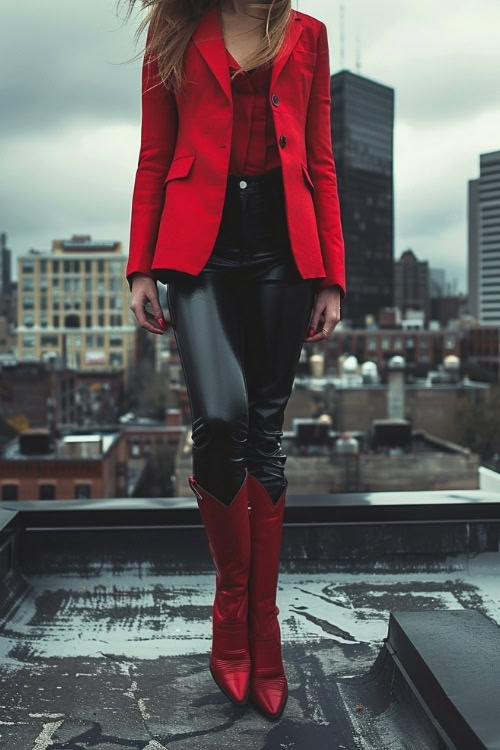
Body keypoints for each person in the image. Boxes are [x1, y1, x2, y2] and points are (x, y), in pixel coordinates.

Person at [125, 0, 346, 720]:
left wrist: (331, 276)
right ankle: (231, 611)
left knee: (265, 432)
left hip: (286, 247)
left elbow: (321, 158)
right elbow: (155, 150)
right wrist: (139, 266)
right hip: (200, 249)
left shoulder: (308, 34)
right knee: (219, 419)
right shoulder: (178, 26)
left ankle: (264, 626)